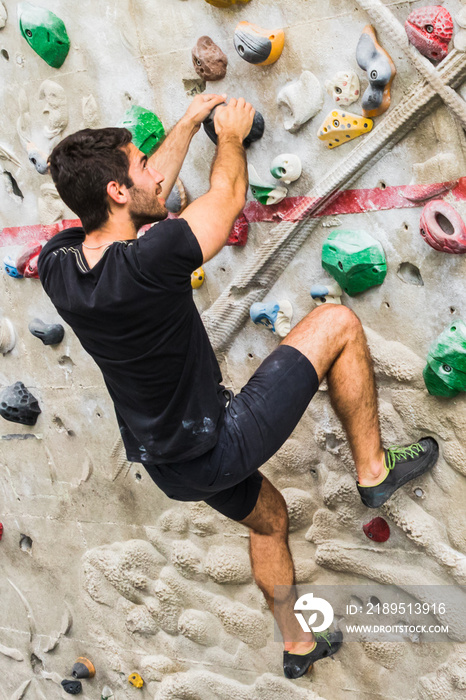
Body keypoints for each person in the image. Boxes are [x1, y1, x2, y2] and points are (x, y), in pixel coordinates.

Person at [38, 94, 439, 679]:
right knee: (337, 324)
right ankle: (374, 471)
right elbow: (223, 201)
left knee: (270, 517)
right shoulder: (153, 260)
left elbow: (141, 202)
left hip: (169, 465)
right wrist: (226, 134)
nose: (155, 170)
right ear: (117, 192)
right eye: (141, 163)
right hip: (218, 440)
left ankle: (297, 642)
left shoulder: (59, 265)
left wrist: (183, 122)